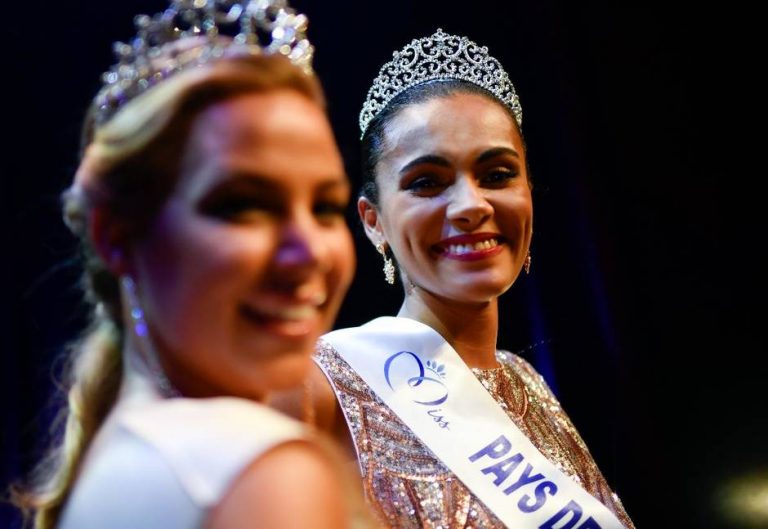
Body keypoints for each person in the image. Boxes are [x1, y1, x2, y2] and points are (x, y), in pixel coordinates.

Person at [13, 1, 373, 528]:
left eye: (323, 207)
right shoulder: (257, 472)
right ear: (116, 237)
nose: (310, 252)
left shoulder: (121, 457)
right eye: (242, 205)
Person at [300, 29, 635, 528]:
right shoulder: (324, 381)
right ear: (374, 222)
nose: (471, 205)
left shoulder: (529, 385)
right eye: (427, 182)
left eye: (497, 174)